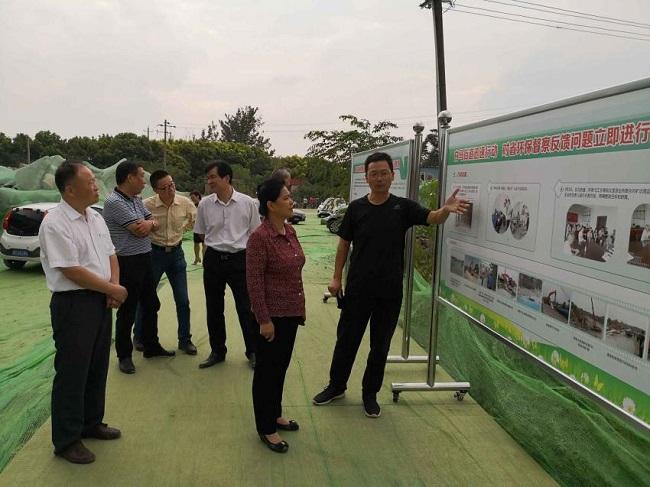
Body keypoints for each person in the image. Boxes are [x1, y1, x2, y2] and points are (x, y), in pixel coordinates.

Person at [312, 152, 469, 418]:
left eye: (384, 173)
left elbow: (431, 218)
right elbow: (343, 244)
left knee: (380, 346)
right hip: (358, 289)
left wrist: (445, 210)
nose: (379, 178)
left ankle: (369, 394)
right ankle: (336, 385)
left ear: (392, 176)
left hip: (389, 291)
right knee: (346, 341)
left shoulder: (403, 207)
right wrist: (337, 277)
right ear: (367, 177)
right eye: (374, 173)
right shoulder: (356, 208)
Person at [39, 160, 127, 464]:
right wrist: (112, 290)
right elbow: (71, 270)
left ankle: (91, 423)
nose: (96, 186)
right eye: (90, 181)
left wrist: (113, 285)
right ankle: (66, 440)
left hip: (100, 300)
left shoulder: (96, 218)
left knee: (96, 366)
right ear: (70, 189)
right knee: (72, 372)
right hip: (74, 304)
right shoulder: (55, 223)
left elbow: (110, 254)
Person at [247, 178, 305, 453]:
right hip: (271, 317)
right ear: (270, 205)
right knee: (266, 373)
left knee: (279, 368)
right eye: (285, 198)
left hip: (291, 313)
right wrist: (264, 320)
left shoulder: (290, 231)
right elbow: (254, 282)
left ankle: (275, 414)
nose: (290, 201)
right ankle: (266, 427)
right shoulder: (260, 238)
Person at [103, 160, 174, 375]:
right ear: (129, 178)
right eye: (141, 177)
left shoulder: (135, 199)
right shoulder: (114, 202)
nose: (144, 182)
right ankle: (124, 355)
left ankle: (151, 345)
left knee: (152, 303)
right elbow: (138, 230)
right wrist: (148, 225)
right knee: (128, 309)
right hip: (127, 261)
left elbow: (152, 223)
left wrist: (149, 223)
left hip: (144, 257)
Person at [194, 161, 261, 369]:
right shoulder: (205, 204)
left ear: (226, 178)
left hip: (240, 260)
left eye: (213, 177)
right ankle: (217, 351)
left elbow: (255, 233)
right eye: (208, 178)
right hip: (213, 259)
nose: (209, 181)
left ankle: (253, 351)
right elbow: (202, 233)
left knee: (246, 308)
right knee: (213, 308)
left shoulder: (248, 203)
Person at [133, 170, 198, 355]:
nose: (170, 189)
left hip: (177, 255)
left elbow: (194, 219)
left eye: (172, 185)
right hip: (154, 254)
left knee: (183, 300)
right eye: (165, 187)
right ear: (155, 190)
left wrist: (183, 229)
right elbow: (138, 226)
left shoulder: (184, 203)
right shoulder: (146, 205)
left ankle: (185, 340)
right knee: (145, 298)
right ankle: (138, 336)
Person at [189, 190, 206, 264]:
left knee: (204, 244)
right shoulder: (192, 206)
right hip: (196, 228)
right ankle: (196, 258)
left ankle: (204, 261)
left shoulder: (204, 204)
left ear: (197, 196)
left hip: (205, 228)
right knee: (196, 243)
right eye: (191, 198)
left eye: (193, 197)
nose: (192, 199)